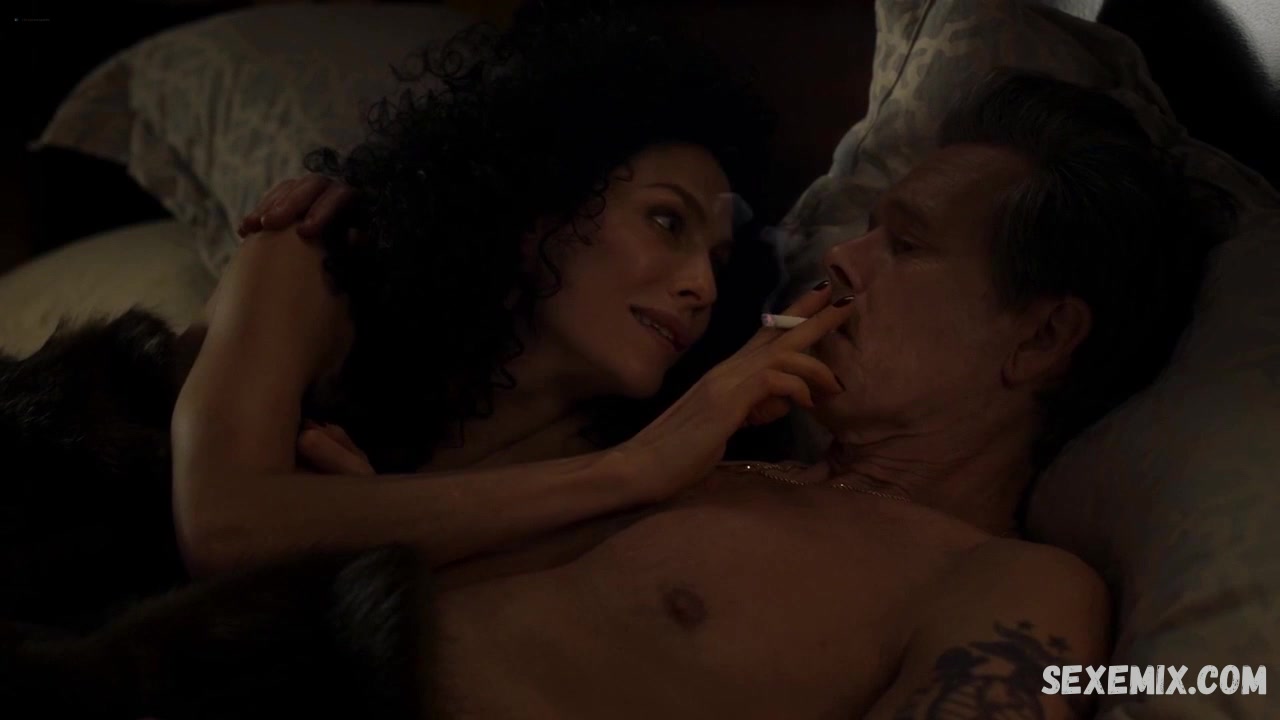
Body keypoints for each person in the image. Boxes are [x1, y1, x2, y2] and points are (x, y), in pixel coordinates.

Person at [9, 69, 1233, 719]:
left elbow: (1177, 681)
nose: (841, 264)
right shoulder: (712, 454)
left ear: (1038, 338)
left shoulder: (1012, 586)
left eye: (902, 244)